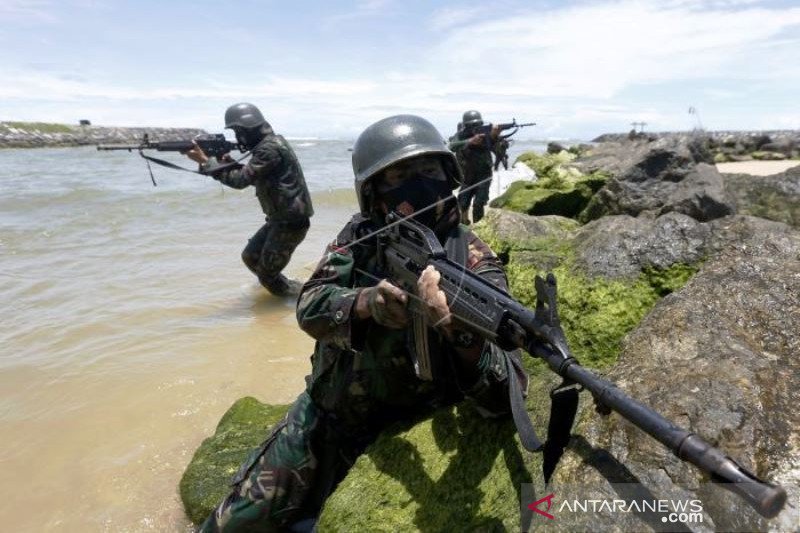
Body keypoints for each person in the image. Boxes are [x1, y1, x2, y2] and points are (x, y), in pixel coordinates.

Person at [199, 114, 526, 532]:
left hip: (403, 427)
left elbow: (504, 396)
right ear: (373, 193)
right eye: (400, 175)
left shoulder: (475, 262)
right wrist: (365, 302)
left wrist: (458, 332)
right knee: (230, 524)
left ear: (449, 175)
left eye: (429, 171)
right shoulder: (361, 235)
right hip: (325, 416)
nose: (419, 184)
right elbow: (310, 304)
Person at [186, 103, 313, 296]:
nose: (238, 138)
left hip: (290, 222)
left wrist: (206, 161)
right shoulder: (269, 145)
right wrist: (228, 163)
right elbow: (258, 176)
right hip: (281, 220)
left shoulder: (268, 149)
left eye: (238, 132)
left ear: (249, 130)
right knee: (250, 257)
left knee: (266, 275)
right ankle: (292, 290)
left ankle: (294, 301)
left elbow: (240, 181)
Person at [448, 110, 499, 224]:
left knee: (478, 204)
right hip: (467, 176)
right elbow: (451, 146)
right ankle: (464, 223)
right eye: (472, 125)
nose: (476, 127)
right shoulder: (461, 135)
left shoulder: (486, 134)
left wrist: (494, 136)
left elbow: (496, 147)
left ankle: (478, 227)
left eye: (478, 125)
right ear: (466, 125)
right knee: (463, 202)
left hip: (484, 175)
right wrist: (470, 141)